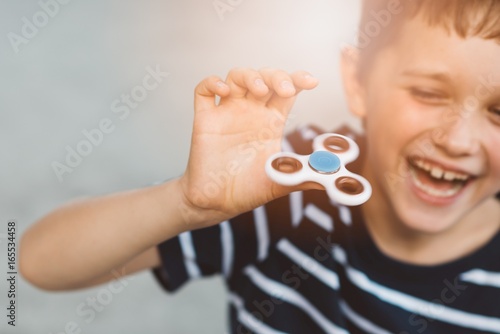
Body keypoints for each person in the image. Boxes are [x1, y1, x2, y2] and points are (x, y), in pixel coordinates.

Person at [20, 0, 500, 332]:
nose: (457, 140)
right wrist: (186, 204)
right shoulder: (291, 182)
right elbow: (35, 263)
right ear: (357, 81)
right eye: (428, 93)